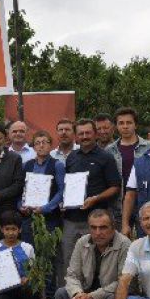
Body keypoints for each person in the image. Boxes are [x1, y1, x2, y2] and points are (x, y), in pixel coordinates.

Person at [60, 119, 120, 287]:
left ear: (95, 134)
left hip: (95, 222)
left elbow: (115, 187)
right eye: (81, 133)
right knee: (69, 259)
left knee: (94, 262)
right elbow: (67, 185)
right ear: (76, 136)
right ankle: (72, 296)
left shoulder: (106, 157)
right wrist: (64, 200)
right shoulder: (71, 157)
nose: (84, 136)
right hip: (71, 219)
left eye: (88, 133)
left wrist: (96, 198)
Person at [54, 209, 130, 299]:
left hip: (108, 294)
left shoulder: (125, 244)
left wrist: (92, 296)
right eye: (93, 228)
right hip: (87, 292)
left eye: (103, 227)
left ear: (113, 227)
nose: (97, 232)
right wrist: (78, 294)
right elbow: (72, 275)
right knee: (61, 294)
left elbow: (124, 282)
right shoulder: (82, 242)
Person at [104, 107, 150, 226]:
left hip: (144, 203)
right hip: (118, 206)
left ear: (135, 125)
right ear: (116, 127)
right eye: (121, 123)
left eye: (129, 122)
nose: (125, 126)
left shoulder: (149, 147)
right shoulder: (109, 150)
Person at [20, 130, 65, 243]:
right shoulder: (26, 165)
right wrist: (21, 205)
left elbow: (61, 191)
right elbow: (21, 189)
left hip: (50, 218)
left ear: (50, 145)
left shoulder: (58, 165)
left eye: (45, 142)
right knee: (29, 253)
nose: (41, 145)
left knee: (47, 253)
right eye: (37, 143)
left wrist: (45, 208)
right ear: (34, 147)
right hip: (29, 217)